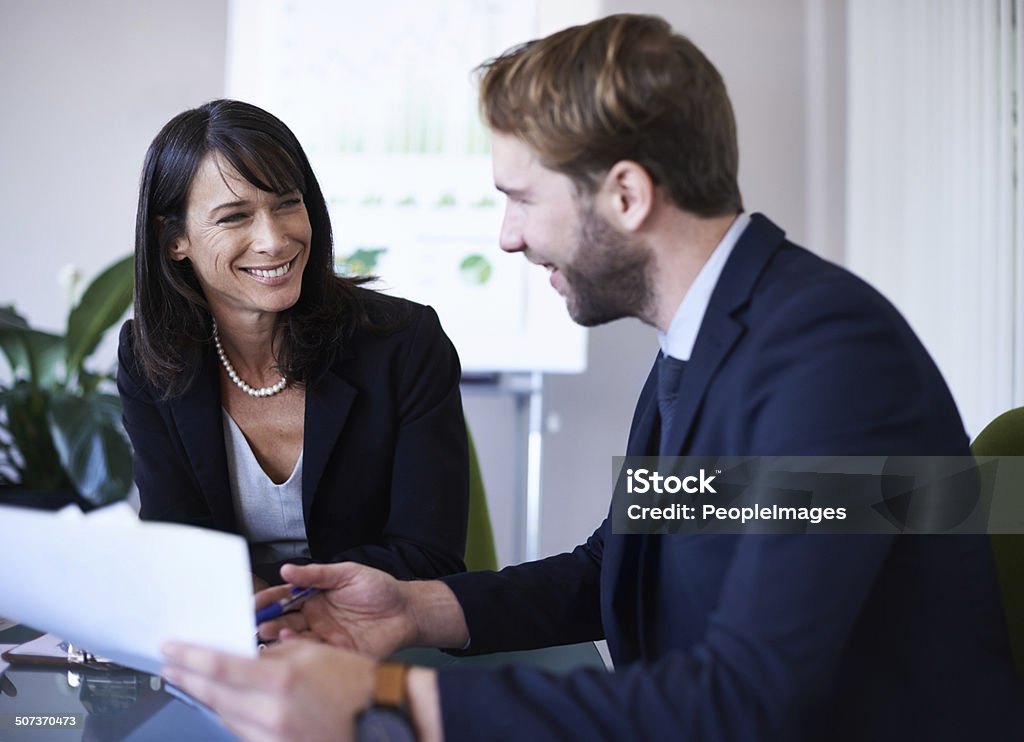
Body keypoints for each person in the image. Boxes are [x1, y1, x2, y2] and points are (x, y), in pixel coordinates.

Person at [160, 16, 1023, 741]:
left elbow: (745, 699)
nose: (507, 237)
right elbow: (618, 565)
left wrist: (393, 697)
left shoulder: (831, 363)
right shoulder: (714, 336)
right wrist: (416, 611)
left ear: (625, 195)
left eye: (523, 198)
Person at [118, 100, 469, 587]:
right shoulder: (150, 356)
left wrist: (273, 598)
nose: (275, 240)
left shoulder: (404, 343)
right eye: (235, 217)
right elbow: (175, 547)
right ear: (174, 238)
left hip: (375, 635)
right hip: (229, 640)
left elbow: (430, 555)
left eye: (286, 203)